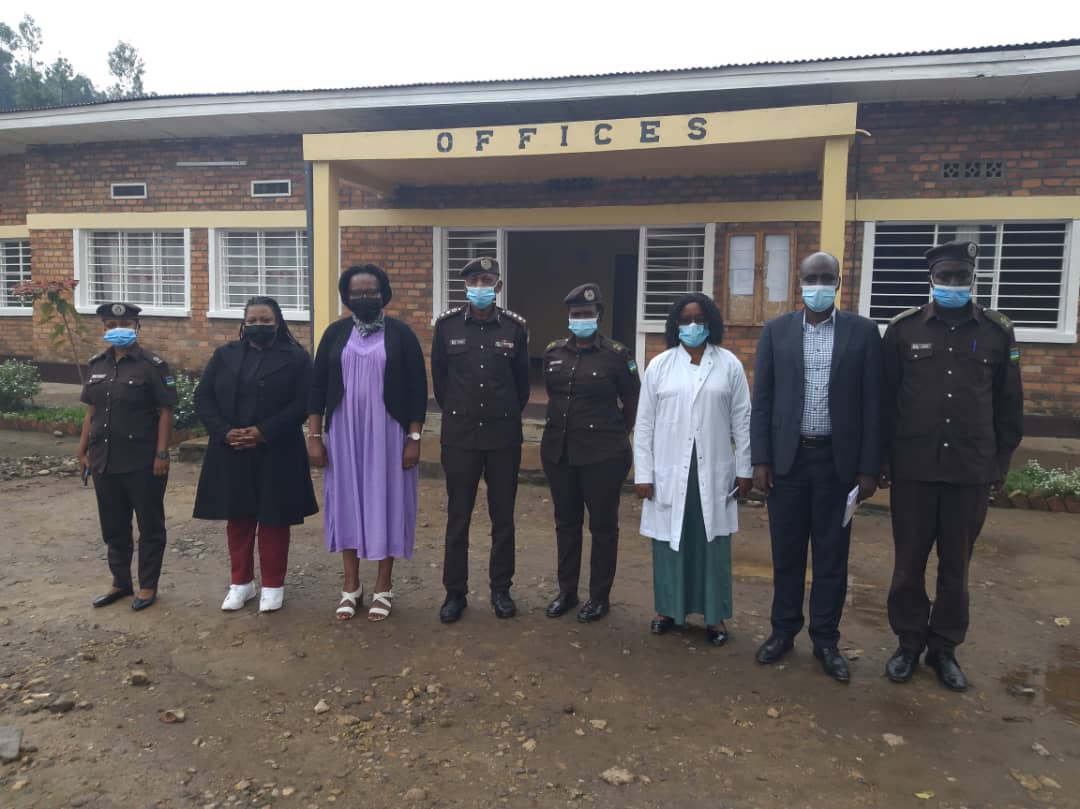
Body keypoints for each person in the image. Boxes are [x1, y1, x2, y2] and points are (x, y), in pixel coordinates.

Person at [879, 240, 1023, 692]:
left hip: (969, 470)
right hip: (914, 468)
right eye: (945, 277)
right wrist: (883, 459)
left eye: (962, 277)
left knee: (956, 567)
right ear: (931, 279)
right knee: (908, 564)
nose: (953, 284)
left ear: (973, 279)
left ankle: (944, 648)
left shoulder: (997, 332)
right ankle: (908, 643)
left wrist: (999, 462)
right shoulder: (902, 330)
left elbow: (1009, 403)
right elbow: (885, 399)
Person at [750, 251, 881, 683]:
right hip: (788, 461)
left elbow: (873, 404)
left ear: (838, 283)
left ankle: (826, 640)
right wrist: (761, 459)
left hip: (837, 464)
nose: (819, 286)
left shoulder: (863, 333)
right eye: (812, 278)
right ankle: (783, 631)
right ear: (800, 283)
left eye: (827, 278)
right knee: (786, 554)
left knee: (831, 558)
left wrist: (868, 467)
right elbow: (762, 399)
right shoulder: (777, 331)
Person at [308, 264, 428, 621]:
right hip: (344, 433)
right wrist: (314, 436)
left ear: (384, 293)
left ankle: (383, 587)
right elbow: (317, 387)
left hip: (389, 434)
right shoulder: (335, 333)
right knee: (347, 503)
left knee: (386, 503)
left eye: (371, 292)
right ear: (346, 297)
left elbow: (418, 390)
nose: (365, 297)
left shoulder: (402, 335)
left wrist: (414, 438)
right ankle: (351, 587)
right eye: (357, 293)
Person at [633, 293, 751, 646]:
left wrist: (745, 468)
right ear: (675, 325)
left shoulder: (729, 365)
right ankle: (667, 611)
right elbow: (644, 424)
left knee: (712, 544)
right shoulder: (660, 365)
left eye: (700, 319)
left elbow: (743, 420)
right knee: (670, 542)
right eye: (685, 320)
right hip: (670, 469)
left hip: (714, 469)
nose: (693, 325)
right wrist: (643, 473)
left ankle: (715, 617)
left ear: (711, 323)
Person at [192, 296, 318, 613]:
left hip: (278, 450)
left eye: (265, 321)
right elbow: (203, 397)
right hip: (231, 449)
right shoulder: (225, 355)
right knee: (239, 518)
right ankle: (241, 583)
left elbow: (304, 402)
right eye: (252, 321)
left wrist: (264, 431)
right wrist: (223, 431)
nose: (258, 326)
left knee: (274, 520)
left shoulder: (296, 358)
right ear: (243, 324)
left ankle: (273, 585)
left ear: (278, 323)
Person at [431, 256, 529, 623]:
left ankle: (501, 590)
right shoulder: (446, 327)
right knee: (458, 517)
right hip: (460, 436)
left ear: (498, 286)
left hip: (503, 437)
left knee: (503, 518)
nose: (480, 286)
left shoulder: (515, 329)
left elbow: (522, 385)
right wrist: (464, 411)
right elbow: (441, 383)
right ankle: (454, 593)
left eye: (487, 280)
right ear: (466, 286)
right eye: (474, 281)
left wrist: (501, 413)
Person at [541, 283, 640, 623]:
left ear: (599, 315)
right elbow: (553, 396)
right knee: (566, 524)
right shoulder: (553, 353)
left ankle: (599, 597)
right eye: (575, 314)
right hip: (560, 453)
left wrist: (617, 434)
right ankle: (567, 591)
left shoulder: (617, 355)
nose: (580, 319)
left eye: (587, 313)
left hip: (603, 456)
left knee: (603, 527)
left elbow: (632, 402)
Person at [78, 302, 176, 611]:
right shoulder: (97, 364)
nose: (117, 330)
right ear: (103, 328)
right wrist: (82, 450)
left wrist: (162, 453)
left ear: (137, 327)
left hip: (142, 460)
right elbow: (91, 411)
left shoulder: (153, 365)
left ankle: (147, 586)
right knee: (113, 526)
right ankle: (120, 582)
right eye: (110, 325)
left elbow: (165, 411)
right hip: (104, 459)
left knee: (150, 526)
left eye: (125, 324)